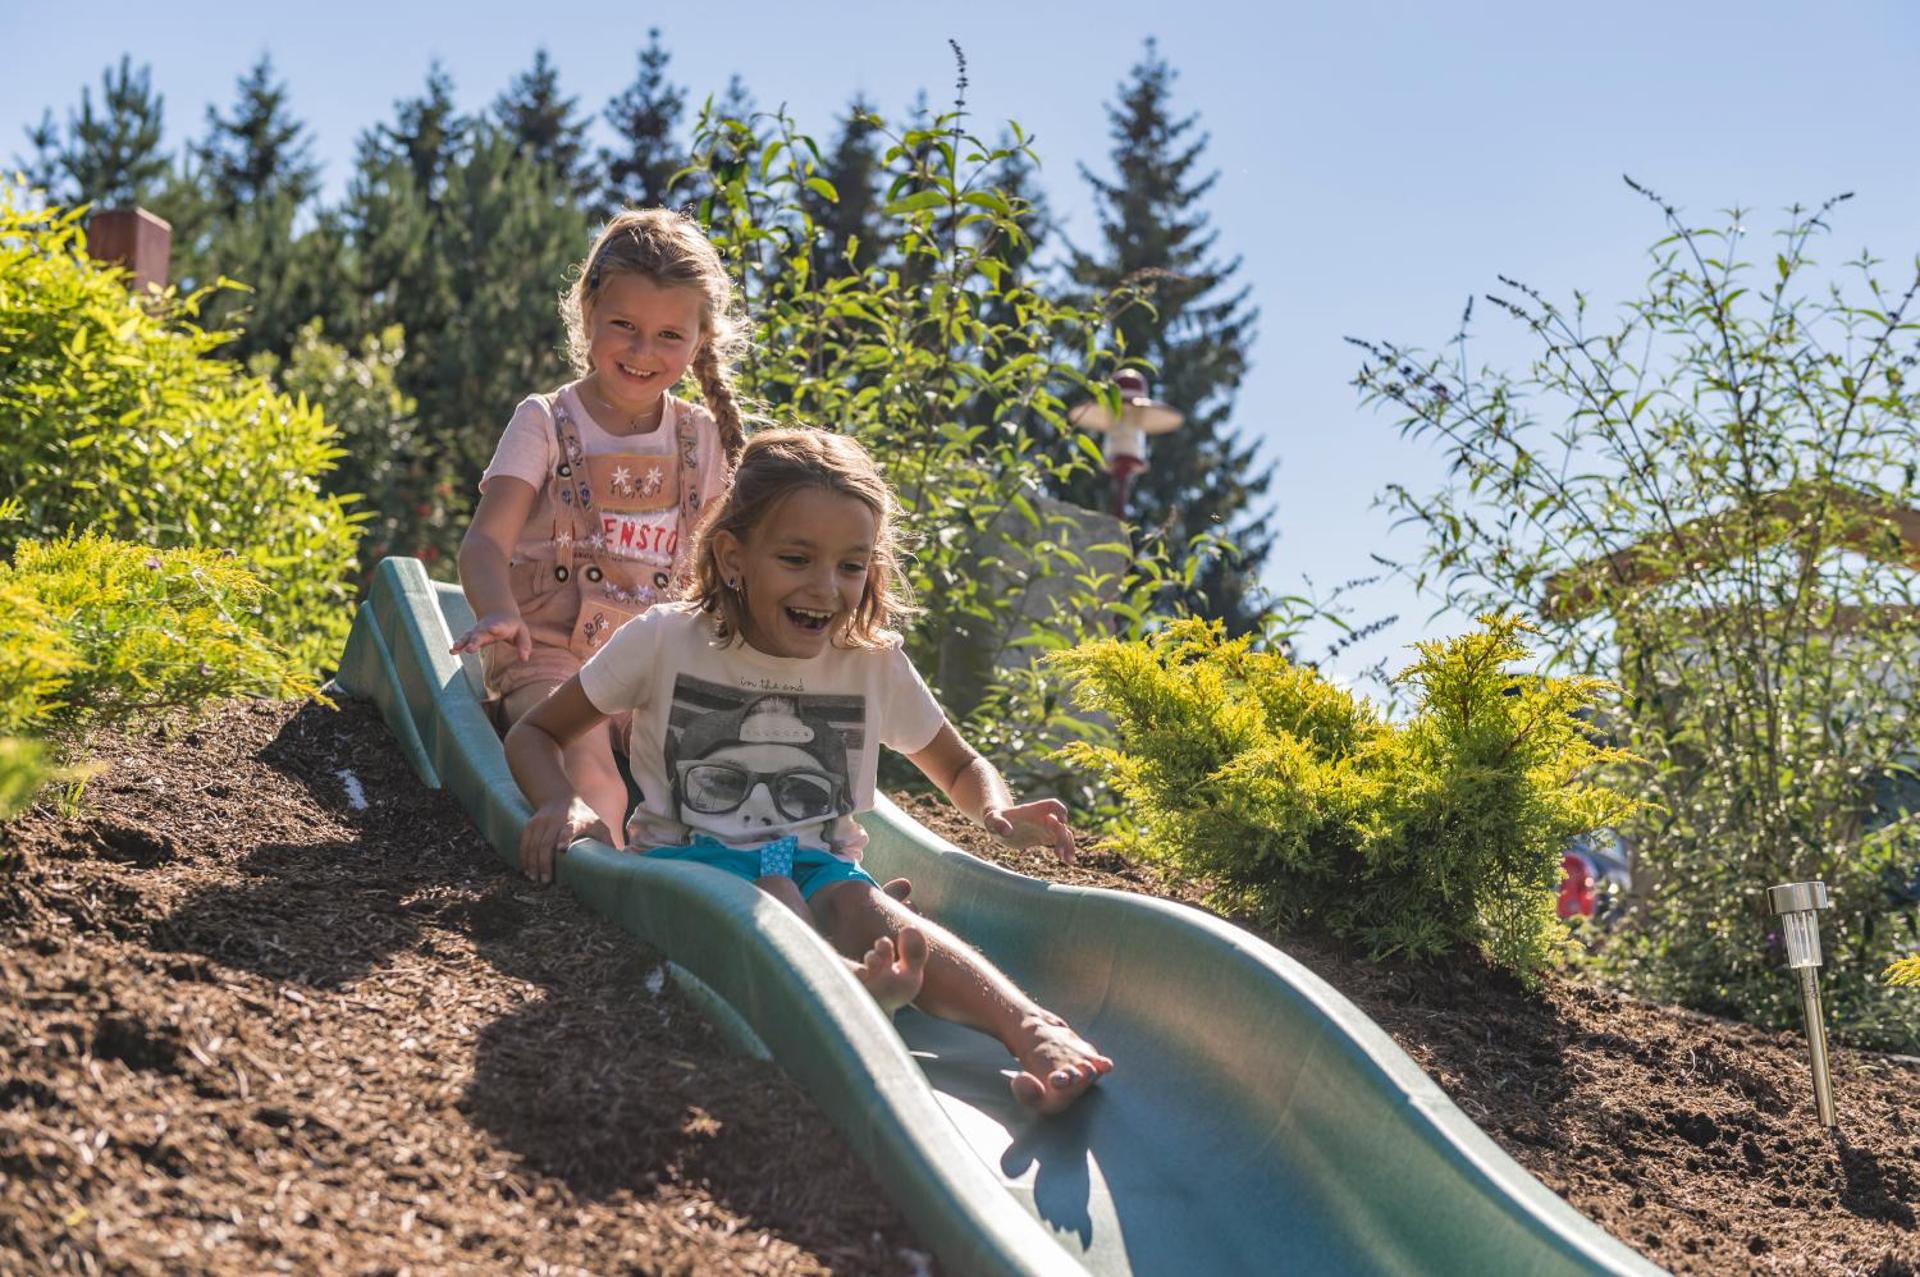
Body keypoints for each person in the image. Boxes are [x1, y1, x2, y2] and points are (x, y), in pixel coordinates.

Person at [505, 429, 1113, 1114]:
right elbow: (536, 731)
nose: (826, 588)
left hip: (814, 869)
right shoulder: (665, 641)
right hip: (687, 869)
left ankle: (1030, 1026)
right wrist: (558, 801)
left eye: (852, 566)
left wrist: (994, 809)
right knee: (769, 888)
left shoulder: (870, 663)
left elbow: (959, 762)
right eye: (797, 557)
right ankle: (850, 983)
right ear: (734, 558)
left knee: (856, 900)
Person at [451, 209, 747, 838]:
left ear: (700, 339)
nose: (644, 352)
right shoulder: (546, 421)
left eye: (670, 335)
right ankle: (605, 879)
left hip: (656, 662)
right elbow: (484, 542)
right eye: (624, 326)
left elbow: (730, 566)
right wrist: (498, 610)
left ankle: (812, 888)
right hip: (551, 653)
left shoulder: (703, 437)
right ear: (587, 314)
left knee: (733, 772)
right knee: (591, 770)